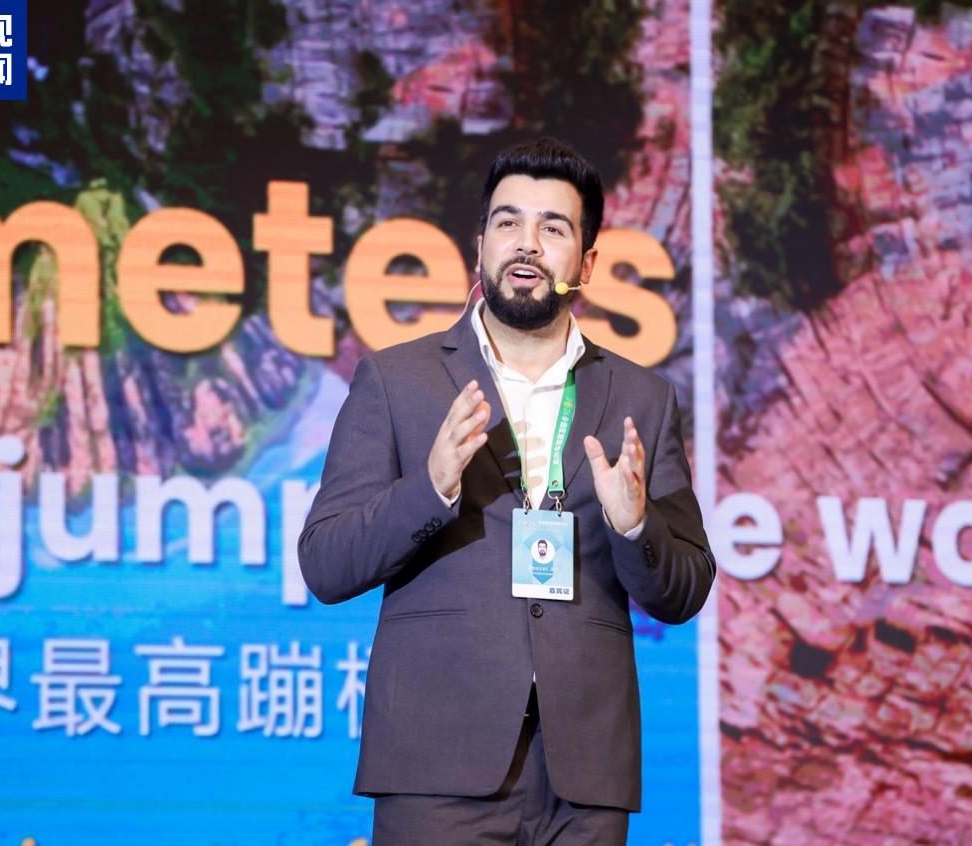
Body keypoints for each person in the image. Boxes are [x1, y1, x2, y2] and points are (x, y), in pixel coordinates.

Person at [297, 136, 716, 845]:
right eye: (507, 222)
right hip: (436, 763)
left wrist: (635, 527)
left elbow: (685, 589)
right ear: (480, 246)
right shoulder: (396, 381)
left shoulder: (641, 399)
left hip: (585, 777)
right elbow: (325, 563)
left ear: (585, 263)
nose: (526, 243)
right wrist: (429, 489)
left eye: (553, 228)